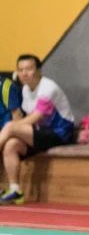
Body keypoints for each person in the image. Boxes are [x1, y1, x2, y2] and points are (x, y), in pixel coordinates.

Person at [0, 54, 77, 205]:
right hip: (40, 135)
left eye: (29, 69)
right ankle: (15, 190)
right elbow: (27, 120)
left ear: (39, 70)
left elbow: (35, 117)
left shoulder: (48, 88)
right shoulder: (25, 90)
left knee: (10, 126)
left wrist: (13, 128)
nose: (24, 73)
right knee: (11, 145)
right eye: (21, 70)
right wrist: (14, 132)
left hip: (59, 134)